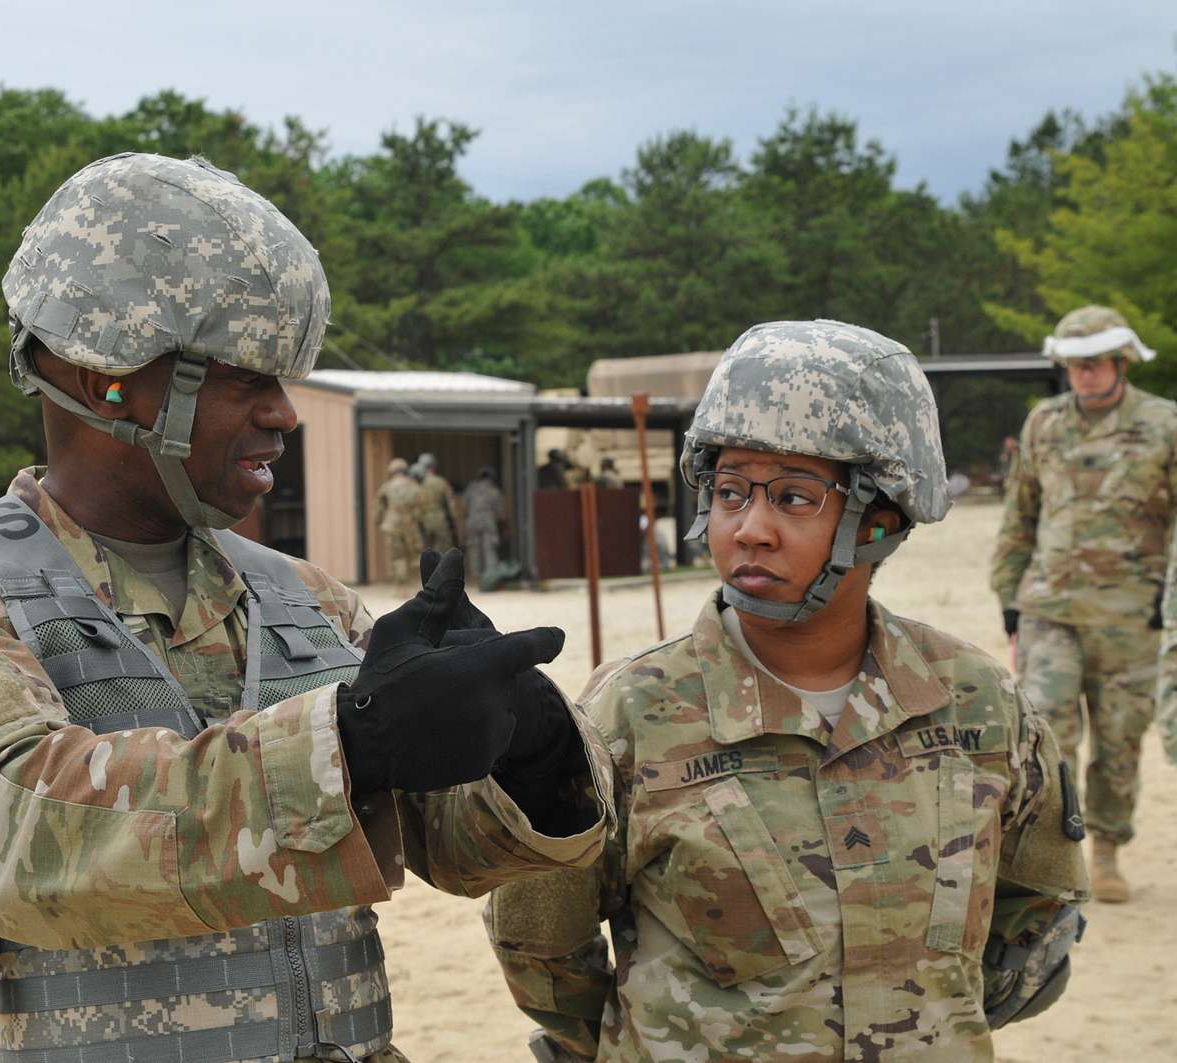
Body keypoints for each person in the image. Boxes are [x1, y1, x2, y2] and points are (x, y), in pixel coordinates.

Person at [0, 153, 615, 1063]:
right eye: (246, 377)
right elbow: (15, 848)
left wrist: (527, 744)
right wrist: (351, 742)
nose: (284, 412)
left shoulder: (300, 598)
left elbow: (454, 845)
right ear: (103, 377)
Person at [487, 320, 1088, 1061]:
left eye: (795, 497)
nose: (750, 528)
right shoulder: (631, 714)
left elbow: (1038, 917)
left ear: (883, 516)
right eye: (731, 490)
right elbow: (543, 948)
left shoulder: (978, 703)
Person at [990, 304, 1175, 904]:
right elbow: (1020, 515)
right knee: (1047, 736)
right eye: (1073, 365)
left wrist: (1167, 605)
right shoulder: (1044, 423)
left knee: (1120, 742)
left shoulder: (1164, 424)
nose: (1084, 374)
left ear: (1122, 361)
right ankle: (1059, 858)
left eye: (1095, 363)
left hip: (1132, 616)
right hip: (1050, 610)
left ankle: (1109, 847)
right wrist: (1010, 602)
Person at [374, 456, 426, 590]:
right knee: (415, 555)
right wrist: (415, 518)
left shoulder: (386, 487)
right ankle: (417, 585)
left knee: (397, 556)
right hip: (410, 524)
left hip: (392, 525)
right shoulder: (414, 485)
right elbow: (422, 506)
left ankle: (400, 587)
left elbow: (379, 506)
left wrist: (378, 520)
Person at [462, 465, 506, 580]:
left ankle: (475, 575)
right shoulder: (494, 491)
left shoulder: (471, 489)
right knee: (489, 548)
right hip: (488, 521)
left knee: (473, 549)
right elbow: (501, 513)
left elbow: (464, 506)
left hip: (472, 520)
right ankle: (491, 576)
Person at [415, 451, 459, 553]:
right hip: (440, 521)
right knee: (442, 553)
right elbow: (451, 505)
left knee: (426, 553)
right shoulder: (441, 482)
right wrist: (454, 523)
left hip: (424, 522)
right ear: (434, 466)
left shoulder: (418, 483)